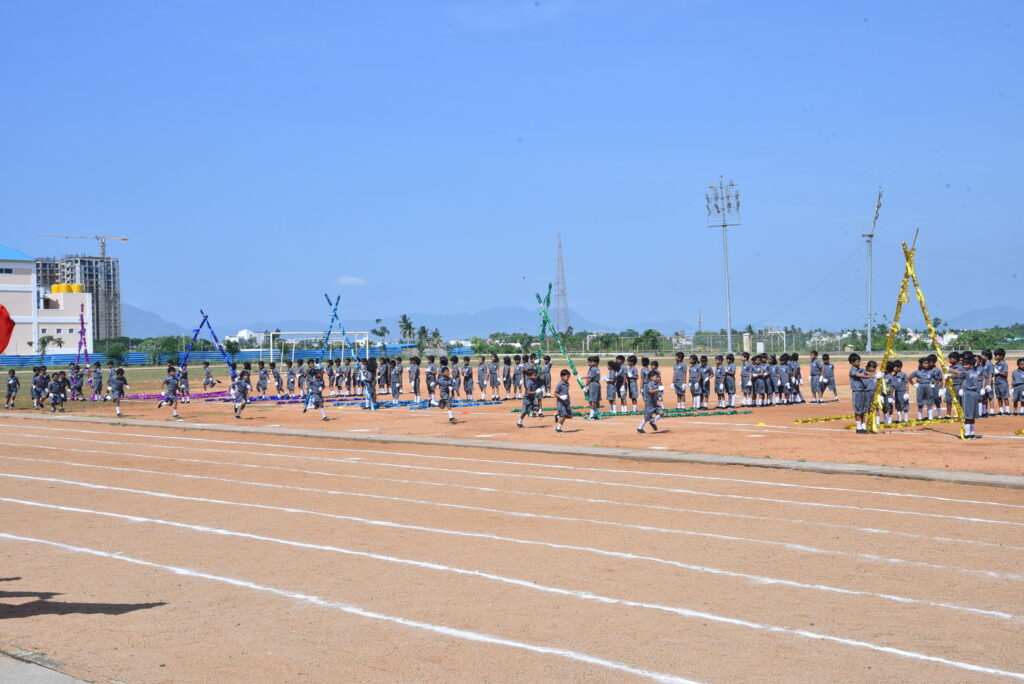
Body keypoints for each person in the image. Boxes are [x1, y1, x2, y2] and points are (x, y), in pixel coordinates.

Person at [951, 353, 983, 439]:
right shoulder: (977, 371)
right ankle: (972, 433)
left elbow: (957, 376)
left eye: (966, 364)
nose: (964, 366)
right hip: (976, 393)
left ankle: (968, 434)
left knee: (968, 414)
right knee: (973, 414)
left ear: (971, 365)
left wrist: (948, 375)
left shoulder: (966, 372)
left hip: (968, 393)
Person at [848, 353, 874, 434]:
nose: (859, 363)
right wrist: (873, 376)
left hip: (863, 392)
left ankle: (864, 427)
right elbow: (860, 376)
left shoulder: (861, 369)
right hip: (857, 392)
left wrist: (877, 374)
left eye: (859, 361)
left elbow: (868, 373)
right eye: (857, 361)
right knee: (858, 410)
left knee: (863, 410)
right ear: (852, 362)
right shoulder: (853, 370)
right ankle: (859, 428)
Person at [637, 369, 663, 433]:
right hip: (649, 404)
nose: (657, 378)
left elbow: (659, 390)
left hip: (655, 403)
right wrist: (658, 389)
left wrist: (659, 396)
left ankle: (653, 422)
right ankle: (640, 428)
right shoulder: (650, 384)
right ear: (651, 378)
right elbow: (650, 391)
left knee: (661, 413)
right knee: (646, 418)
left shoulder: (657, 383)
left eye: (657, 377)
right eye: (656, 377)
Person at [553, 369, 573, 433]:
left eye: (569, 377)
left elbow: (567, 392)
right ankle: (558, 429)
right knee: (564, 415)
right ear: (562, 376)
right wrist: (560, 397)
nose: (568, 378)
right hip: (560, 403)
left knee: (570, 416)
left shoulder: (567, 384)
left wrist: (569, 399)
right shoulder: (559, 385)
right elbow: (555, 394)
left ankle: (558, 415)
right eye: (567, 377)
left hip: (566, 402)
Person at [993, 349, 1010, 416]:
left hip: (1003, 383)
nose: (995, 357)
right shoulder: (996, 364)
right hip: (997, 383)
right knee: (999, 397)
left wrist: (998, 372)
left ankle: (1008, 411)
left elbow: (1005, 374)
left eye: (996, 356)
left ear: (1001, 356)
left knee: (1005, 397)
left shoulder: (1004, 364)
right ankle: (1001, 411)